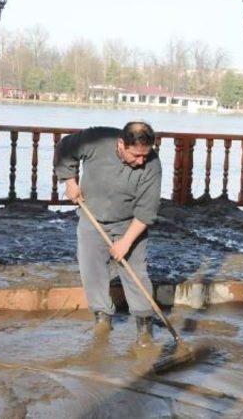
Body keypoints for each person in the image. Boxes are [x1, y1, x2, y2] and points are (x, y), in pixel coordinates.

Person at [53, 122, 162, 347]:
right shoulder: (97, 139)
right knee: (91, 269)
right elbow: (65, 149)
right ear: (121, 144)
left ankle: (144, 327)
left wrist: (126, 242)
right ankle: (102, 319)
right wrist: (70, 181)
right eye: (136, 155)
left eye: (145, 155)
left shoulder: (152, 165)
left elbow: (146, 211)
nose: (141, 161)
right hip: (92, 216)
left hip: (130, 222)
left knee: (135, 273)